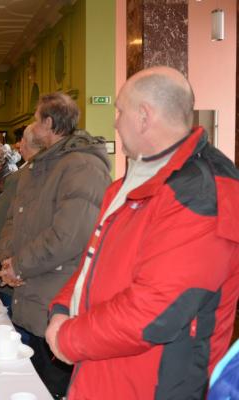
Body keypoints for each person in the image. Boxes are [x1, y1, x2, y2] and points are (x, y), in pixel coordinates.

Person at [45, 66, 239, 399]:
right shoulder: (130, 182)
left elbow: (155, 311)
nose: (115, 122)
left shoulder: (202, 190)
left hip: (152, 384)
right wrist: (62, 309)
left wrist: (68, 338)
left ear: (144, 116)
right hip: (100, 369)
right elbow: (91, 265)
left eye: (119, 111)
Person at [0, 92, 111, 398]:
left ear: (48, 123)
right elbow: (16, 219)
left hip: (54, 295)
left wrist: (20, 265)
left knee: (52, 387)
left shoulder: (82, 166)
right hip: (32, 289)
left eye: (36, 119)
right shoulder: (45, 164)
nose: (33, 126)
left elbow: (69, 235)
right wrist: (9, 260)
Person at [0, 124, 43, 319]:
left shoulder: (16, 178)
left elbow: (0, 226)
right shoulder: (37, 173)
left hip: (12, 258)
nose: (18, 145)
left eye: (21, 141)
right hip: (27, 257)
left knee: (7, 317)